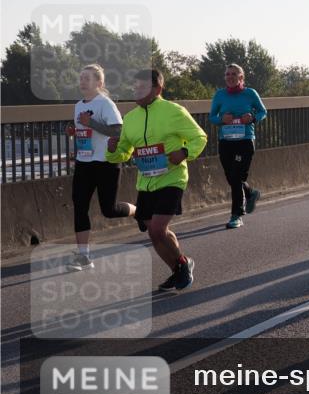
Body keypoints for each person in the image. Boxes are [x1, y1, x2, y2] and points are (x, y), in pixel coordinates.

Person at [106, 69, 207, 290]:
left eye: (142, 87)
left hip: (172, 178)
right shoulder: (131, 118)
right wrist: (114, 149)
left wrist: (184, 152)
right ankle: (179, 268)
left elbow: (199, 136)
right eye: (135, 87)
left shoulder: (173, 111)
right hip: (146, 181)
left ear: (158, 89)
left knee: (157, 229)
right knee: (153, 233)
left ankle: (182, 264)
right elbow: (124, 151)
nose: (136, 91)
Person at [65, 64, 137, 271]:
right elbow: (84, 131)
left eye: (87, 78)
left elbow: (118, 131)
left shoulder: (105, 104)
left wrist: (91, 123)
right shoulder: (78, 105)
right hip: (84, 162)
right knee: (79, 206)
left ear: (99, 83)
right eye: (81, 78)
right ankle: (83, 256)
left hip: (106, 162)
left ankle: (137, 211)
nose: (83, 81)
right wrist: (73, 130)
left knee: (110, 210)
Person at [209, 64, 267, 229]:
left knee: (236, 178)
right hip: (226, 142)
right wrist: (221, 120)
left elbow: (263, 112)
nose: (230, 77)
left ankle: (236, 215)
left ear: (241, 77)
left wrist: (253, 117)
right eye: (227, 74)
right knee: (232, 178)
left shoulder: (250, 93)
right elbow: (212, 117)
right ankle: (250, 194)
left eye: (234, 74)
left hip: (245, 141)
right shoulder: (220, 95)